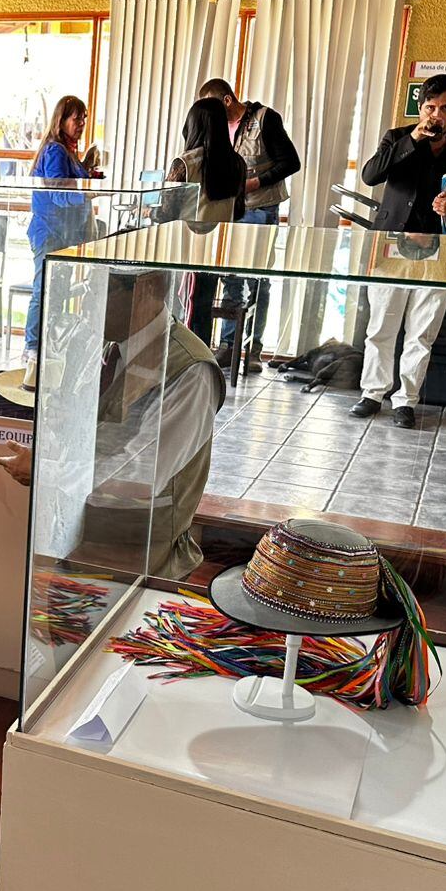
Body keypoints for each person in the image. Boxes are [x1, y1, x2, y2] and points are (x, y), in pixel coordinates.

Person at [354, 73, 446, 428]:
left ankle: (406, 400)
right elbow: (370, 176)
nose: (437, 115)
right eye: (430, 107)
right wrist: (413, 138)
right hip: (391, 245)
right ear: (421, 107)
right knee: (381, 325)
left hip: (441, 248)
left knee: (422, 330)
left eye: (445, 108)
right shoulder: (398, 137)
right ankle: (372, 393)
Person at [80, 268, 224, 579]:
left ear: (147, 288)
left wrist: (47, 472)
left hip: (142, 558)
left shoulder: (190, 371)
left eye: (101, 290)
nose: (87, 302)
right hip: (86, 537)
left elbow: (139, 475)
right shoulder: (111, 347)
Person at [199, 78, 302, 368]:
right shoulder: (218, 128)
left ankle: (253, 349)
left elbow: (291, 162)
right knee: (231, 277)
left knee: (258, 281)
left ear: (227, 100)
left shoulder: (265, 119)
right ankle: (229, 346)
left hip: (261, 209)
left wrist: (256, 182)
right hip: (230, 210)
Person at [26, 94, 104, 360]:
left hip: (63, 233)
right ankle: (33, 348)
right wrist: (87, 193)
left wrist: (88, 175)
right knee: (45, 289)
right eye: (76, 118)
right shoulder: (56, 150)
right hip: (49, 232)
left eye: (84, 118)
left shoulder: (68, 150)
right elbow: (58, 193)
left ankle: (48, 344)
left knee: (57, 290)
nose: (81, 122)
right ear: (62, 120)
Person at [166, 97, 248, 350]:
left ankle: (184, 361)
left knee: (186, 309)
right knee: (201, 308)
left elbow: (166, 211)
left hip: (187, 249)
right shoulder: (237, 163)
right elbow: (240, 209)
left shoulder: (185, 164)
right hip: (218, 250)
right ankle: (201, 359)